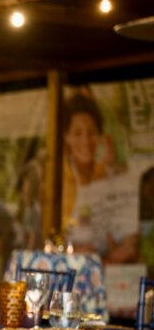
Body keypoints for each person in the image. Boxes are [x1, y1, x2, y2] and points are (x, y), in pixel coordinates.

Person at [61, 90, 138, 262]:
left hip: (108, 265)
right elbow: (48, 234)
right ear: (66, 137)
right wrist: (70, 250)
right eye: (77, 133)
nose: (86, 141)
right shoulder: (60, 178)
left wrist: (126, 244)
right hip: (70, 267)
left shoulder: (107, 173)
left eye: (92, 132)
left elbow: (123, 222)